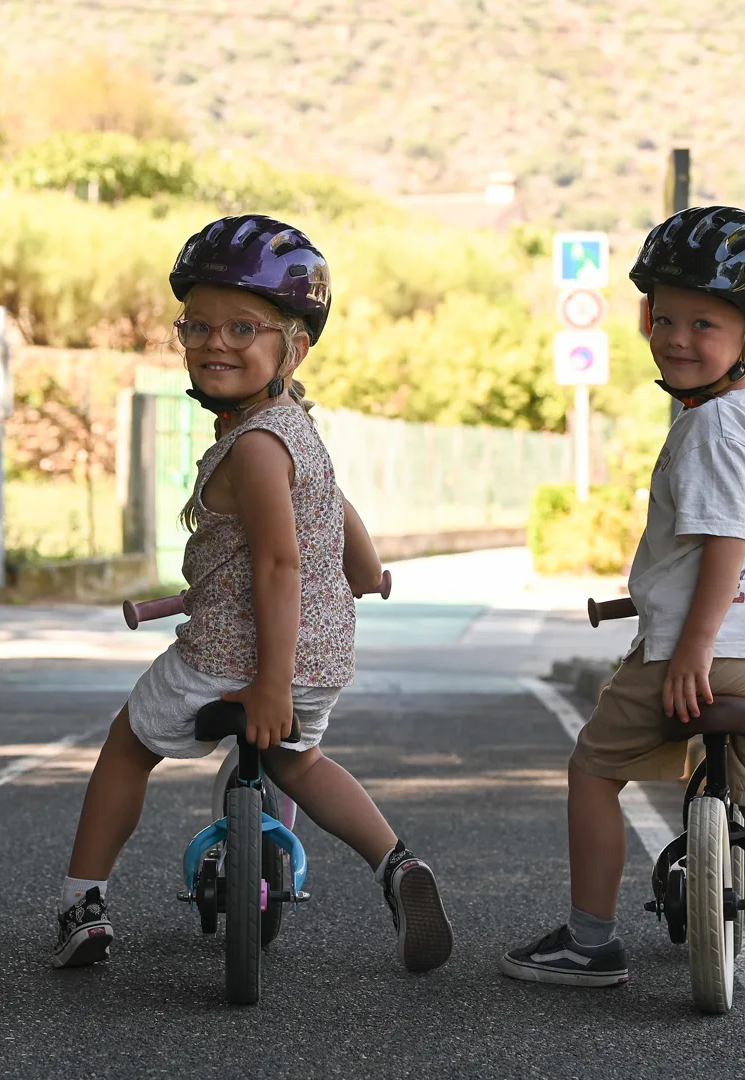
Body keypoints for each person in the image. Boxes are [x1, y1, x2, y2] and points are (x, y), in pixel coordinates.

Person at [499, 207, 745, 994]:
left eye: (703, 324)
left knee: (591, 770)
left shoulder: (711, 427)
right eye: (664, 318)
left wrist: (689, 652)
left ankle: (590, 941)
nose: (677, 338)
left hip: (699, 653)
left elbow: (724, 547)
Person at [50, 215, 454, 974]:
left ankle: (84, 901)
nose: (215, 342)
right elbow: (336, 508)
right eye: (196, 326)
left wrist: (266, 682)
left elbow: (277, 564)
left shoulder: (258, 444)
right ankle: (394, 865)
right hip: (320, 657)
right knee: (299, 762)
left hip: (237, 654)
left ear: (292, 347)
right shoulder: (295, 425)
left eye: (243, 326)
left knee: (127, 746)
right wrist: (364, 572)